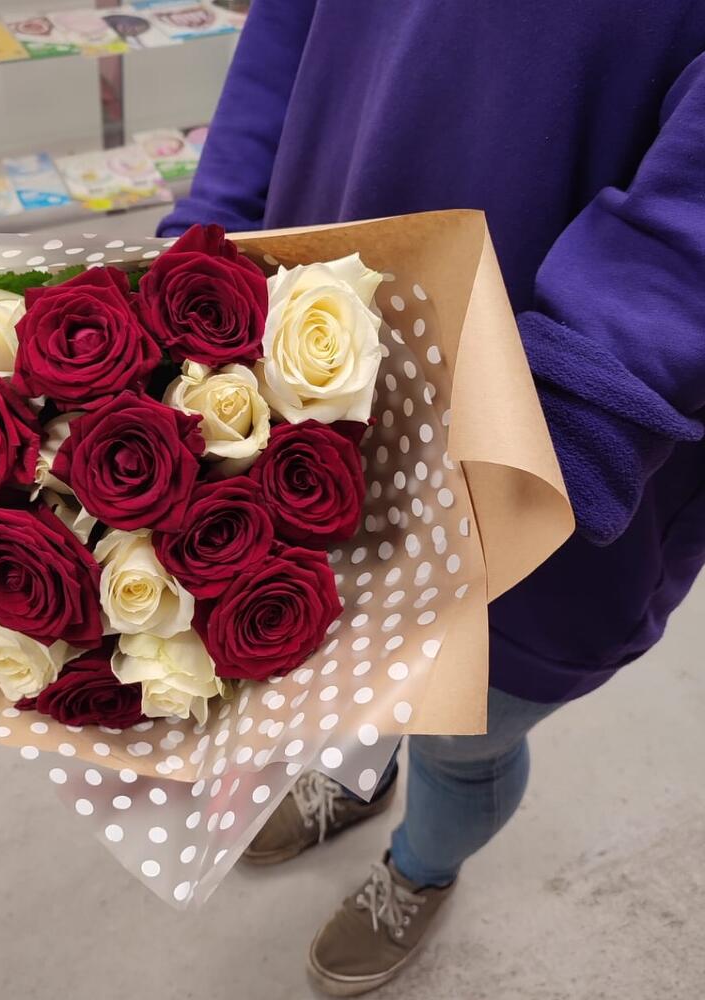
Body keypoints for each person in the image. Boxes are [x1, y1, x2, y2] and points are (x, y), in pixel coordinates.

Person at [158, 2, 705, 995]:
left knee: (464, 733)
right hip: (306, 366)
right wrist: (205, 255)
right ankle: (357, 774)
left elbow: (685, 239)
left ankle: (422, 866)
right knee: (331, 658)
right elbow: (286, 35)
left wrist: (550, 447)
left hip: (531, 454)